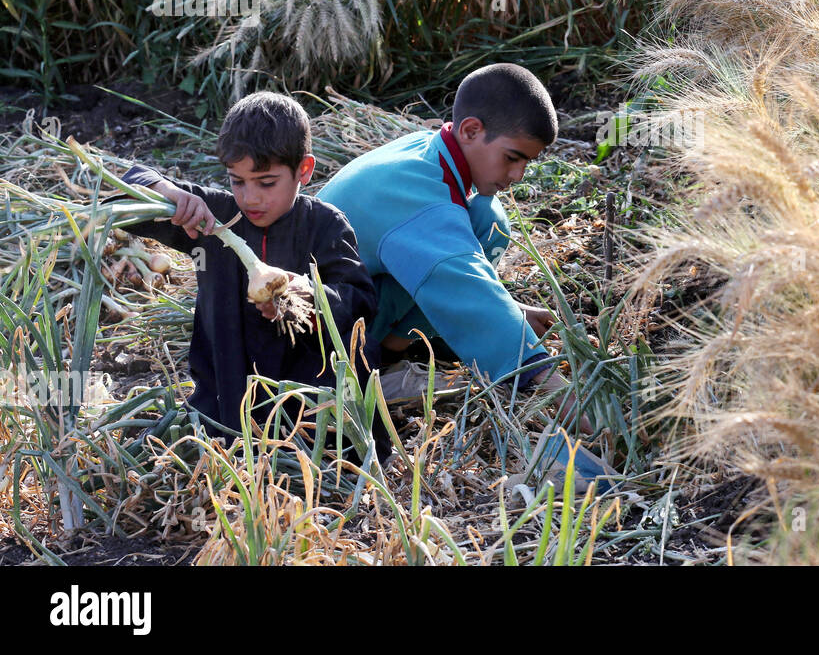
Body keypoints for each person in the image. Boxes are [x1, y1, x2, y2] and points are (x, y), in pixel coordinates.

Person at [120, 92, 381, 456]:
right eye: (237, 181)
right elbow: (121, 191)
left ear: (304, 170)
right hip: (224, 406)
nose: (250, 198)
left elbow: (361, 302)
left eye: (266, 182)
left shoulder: (325, 226)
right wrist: (166, 193)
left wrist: (306, 297)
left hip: (308, 416)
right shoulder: (211, 218)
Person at [316, 63, 579, 418]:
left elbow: (459, 261)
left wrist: (511, 310)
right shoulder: (420, 200)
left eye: (526, 163)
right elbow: (461, 279)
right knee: (457, 266)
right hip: (319, 339)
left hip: (347, 301)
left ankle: (394, 350)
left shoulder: (427, 151)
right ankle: (379, 368)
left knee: (488, 220)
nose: (517, 175)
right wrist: (551, 385)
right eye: (512, 158)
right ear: (471, 130)